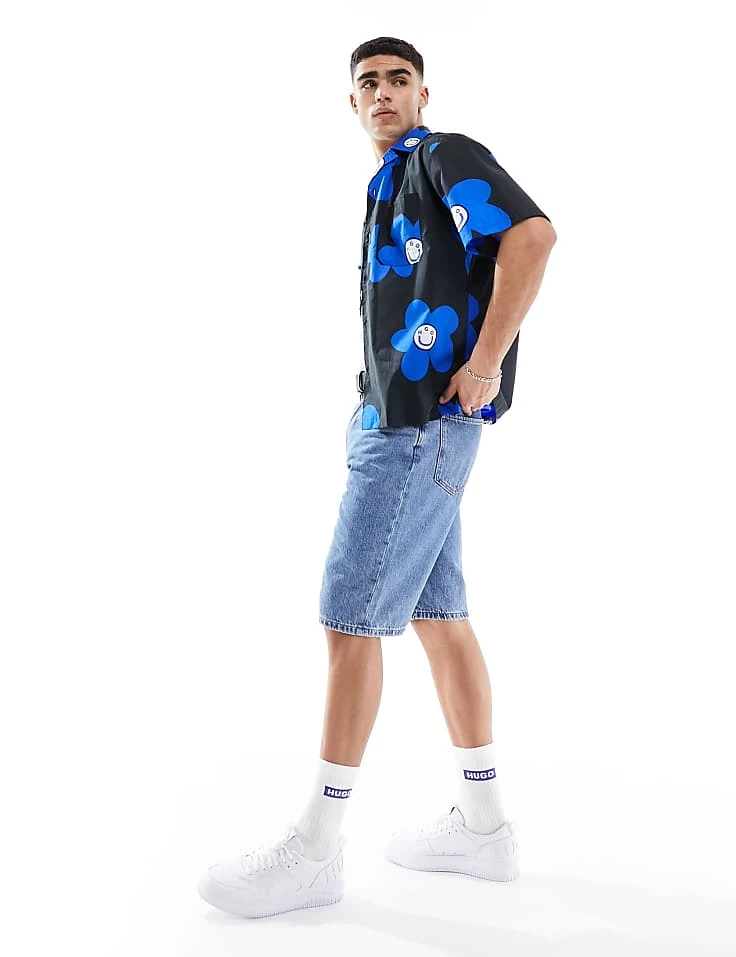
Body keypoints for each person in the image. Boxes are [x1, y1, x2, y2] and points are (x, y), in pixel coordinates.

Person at [198, 36, 556, 920]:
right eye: (369, 82)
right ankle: (484, 827)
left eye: (400, 79)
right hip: (403, 420)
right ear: (352, 103)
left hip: (417, 425)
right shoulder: (390, 182)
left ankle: (315, 848)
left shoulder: (439, 155)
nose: (385, 91)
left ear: (425, 94)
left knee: (348, 617)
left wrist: (483, 365)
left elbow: (533, 234)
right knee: (440, 616)